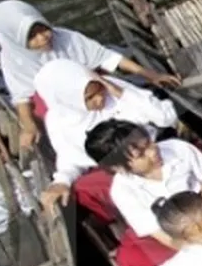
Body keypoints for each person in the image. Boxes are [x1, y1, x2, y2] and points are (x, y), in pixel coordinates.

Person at [0, 0, 180, 154]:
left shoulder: (66, 38)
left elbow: (107, 58)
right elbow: (22, 97)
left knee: (136, 103)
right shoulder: (13, 59)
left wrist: (149, 74)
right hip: (56, 102)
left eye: (43, 29)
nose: (43, 38)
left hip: (91, 85)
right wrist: (29, 126)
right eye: (32, 37)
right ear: (16, 39)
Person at [84, 119, 202, 266]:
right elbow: (157, 232)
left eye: (149, 144)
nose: (153, 152)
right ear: (119, 168)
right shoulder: (122, 191)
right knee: (131, 259)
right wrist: (196, 246)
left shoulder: (176, 148)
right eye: (142, 155)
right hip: (171, 231)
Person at [35, 59, 178, 221]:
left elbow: (165, 118)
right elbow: (69, 157)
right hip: (117, 168)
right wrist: (62, 181)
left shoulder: (113, 89)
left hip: (152, 151)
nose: (100, 99)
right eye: (90, 98)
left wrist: (123, 94)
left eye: (100, 90)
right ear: (67, 100)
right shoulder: (59, 121)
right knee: (86, 189)